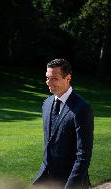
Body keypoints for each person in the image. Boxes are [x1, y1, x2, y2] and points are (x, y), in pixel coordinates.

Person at [33, 59, 94, 189]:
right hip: (46, 179)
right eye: (47, 78)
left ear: (68, 78)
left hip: (70, 182)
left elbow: (83, 155)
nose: (48, 83)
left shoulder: (82, 108)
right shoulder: (47, 104)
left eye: (54, 78)